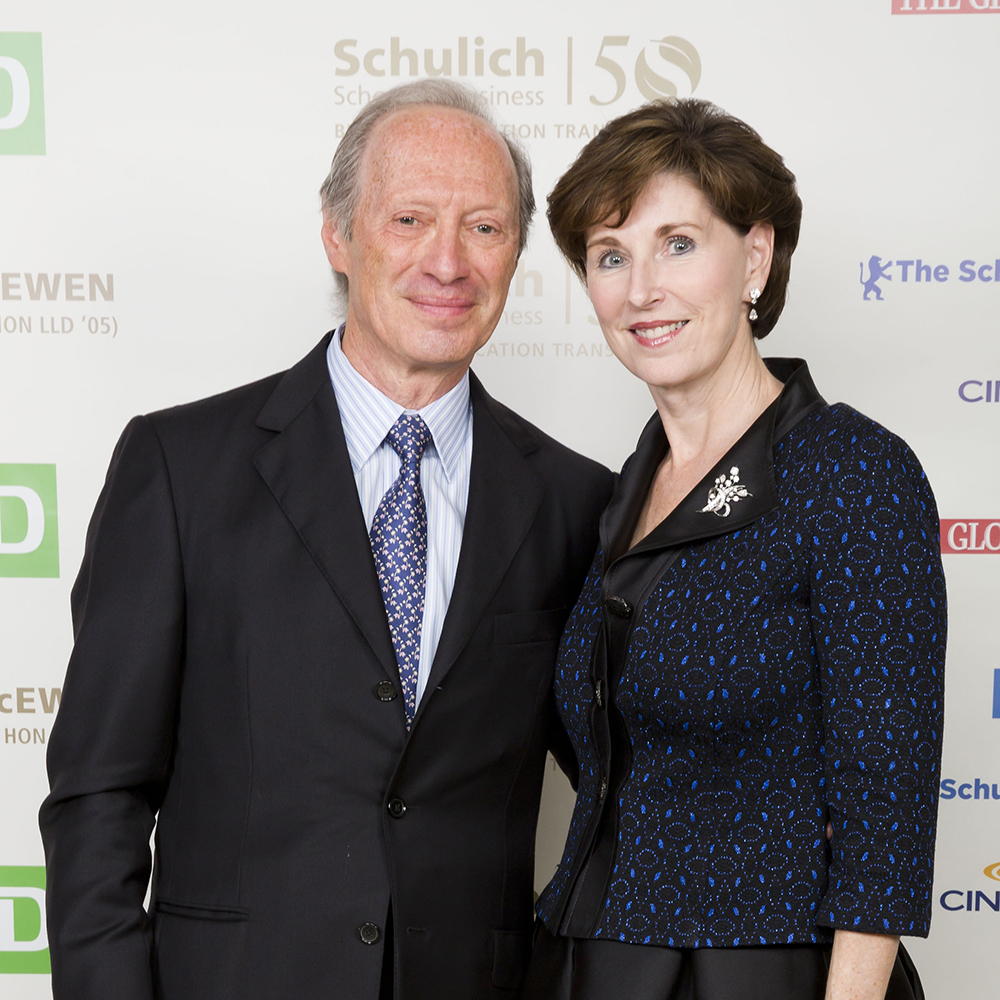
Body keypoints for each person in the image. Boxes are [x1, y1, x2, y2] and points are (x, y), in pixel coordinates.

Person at [38, 79, 614, 1000]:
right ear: (338, 235)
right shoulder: (179, 469)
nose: (448, 261)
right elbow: (98, 795)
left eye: (485, 227)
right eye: (409, 219)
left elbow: (628, 782)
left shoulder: (578, 502)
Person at [522, 99, 946, 1000]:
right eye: (610, 256)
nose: (641, 289)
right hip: (584, 956)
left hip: (764, 969)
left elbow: (888, 812)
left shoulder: (852, 473)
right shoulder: (620, 493)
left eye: (678, 243)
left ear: (754, 256)